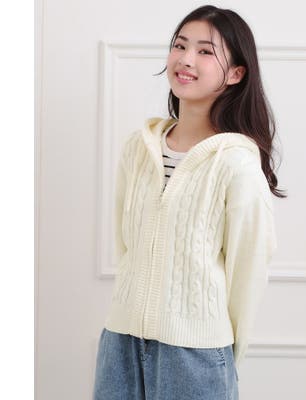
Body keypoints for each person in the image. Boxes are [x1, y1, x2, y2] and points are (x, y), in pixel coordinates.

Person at [93, 4, 286, 400]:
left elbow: (248, 269)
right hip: (120, 342)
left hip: (195, 354)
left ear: (236, 73)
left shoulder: (235, 163)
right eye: (180, 46)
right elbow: (125, 245)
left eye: (205, 51)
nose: (185, 59)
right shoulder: (138, 149)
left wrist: (221, 352)